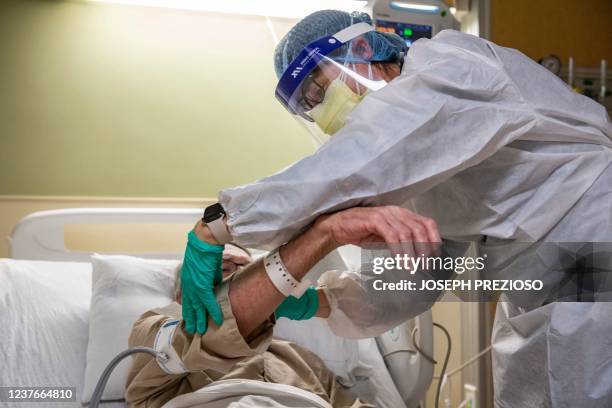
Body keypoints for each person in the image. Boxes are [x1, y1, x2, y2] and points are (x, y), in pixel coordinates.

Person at [181, 9, 612, 408]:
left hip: (594, 248)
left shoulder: (448, 68)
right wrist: (312, 302)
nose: (320, 107)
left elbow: (352, 163)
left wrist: (217, 227)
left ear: (363, 48)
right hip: (536, 290)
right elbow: (411, 282)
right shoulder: (406, 165)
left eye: (319, 86)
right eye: (308, 105)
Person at [126, 205, 430, 408]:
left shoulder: (301, 358)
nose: (232, 273)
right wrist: (323, 236)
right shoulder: (153, 332)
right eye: (221, 270)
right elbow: (200, 337)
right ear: (183, 294)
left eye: (243, 270)